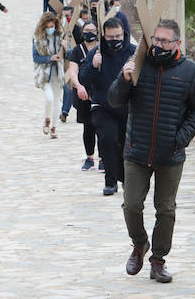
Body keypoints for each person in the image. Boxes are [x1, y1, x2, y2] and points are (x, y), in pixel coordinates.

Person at [108, 18, 195, 284]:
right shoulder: (138, 62)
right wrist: (125, 79)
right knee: (131, 205)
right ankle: (140, 245)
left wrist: (181, 138)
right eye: (156, 40)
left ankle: (158, 260)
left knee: (166, 210)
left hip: (170, 155)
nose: (159, 45)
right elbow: (114, 99)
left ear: (177, 43)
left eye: (165, 41)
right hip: (137, 151)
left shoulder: (189, 71)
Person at [78, 16, 135, 196]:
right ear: (104, 36)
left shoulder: (133, 53)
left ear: (123, 34)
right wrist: (94, 66)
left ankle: (125, 178)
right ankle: (111, 181)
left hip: (126, 107)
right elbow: (83, 79)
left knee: (125, 144)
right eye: (110, 37)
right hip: (102, 106)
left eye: (118, 36)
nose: (114, 40)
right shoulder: (96, 53)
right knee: (108, 140)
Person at [64, 21, 97, 170]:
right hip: (83, 94)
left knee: (102, 128)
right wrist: (79, 86)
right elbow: (73, 71)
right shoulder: (78, 50)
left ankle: (103, 158)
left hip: (99, 93)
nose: (89, 33)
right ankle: (89, 157)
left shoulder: (101, 49)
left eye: (92, 30)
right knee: (88, 127)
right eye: (86, 30)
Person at [31, 10, 66, 138]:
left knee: (57, 101)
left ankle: (54, 128)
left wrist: (65, 48)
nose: (50, 29)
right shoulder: (37, 39)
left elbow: (67, 54)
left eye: (52, 26)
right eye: (48, 27)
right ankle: (47, 119)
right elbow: (35, 57)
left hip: (58, 72)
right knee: (49, 98)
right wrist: (50, 58)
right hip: (44, 73)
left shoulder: (60, 36)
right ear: (43, 26)